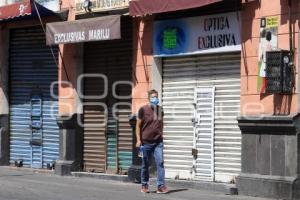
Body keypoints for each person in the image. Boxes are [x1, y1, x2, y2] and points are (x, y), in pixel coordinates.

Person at [135, 89, 169, 194]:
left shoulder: (160, 110)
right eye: (153, 97)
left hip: (158, 142)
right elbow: (138, 125)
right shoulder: (143, 110)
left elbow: (161, 123)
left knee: (160, 163)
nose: (155, 99)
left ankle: (160, 186)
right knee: (145, 164)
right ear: (149, 98)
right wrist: (138, 140)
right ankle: (144, 185)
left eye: (156, 97)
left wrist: (162, 134)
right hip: (146, 142)